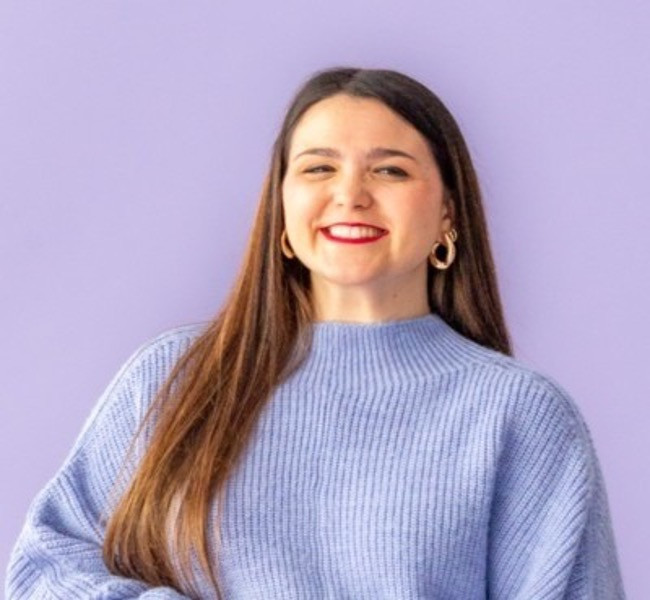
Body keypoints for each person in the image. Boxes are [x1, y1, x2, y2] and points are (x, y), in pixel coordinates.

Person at [5, 67, 626, 599]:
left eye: (390, 171)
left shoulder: (520, 416)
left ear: (447, 212)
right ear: (281, 207)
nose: (349, 195)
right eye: (318, 167)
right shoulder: (172, 379)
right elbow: (41, 573)